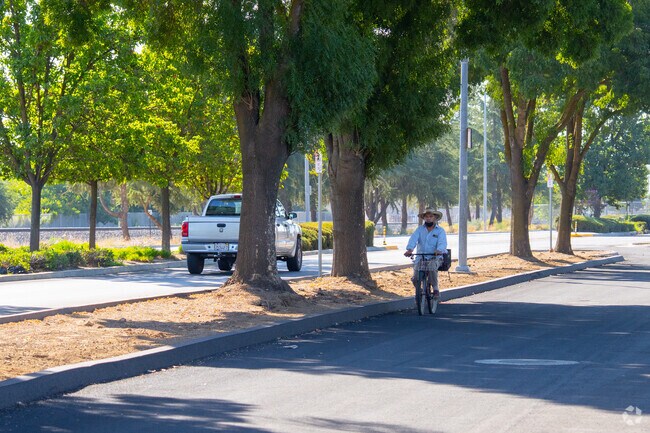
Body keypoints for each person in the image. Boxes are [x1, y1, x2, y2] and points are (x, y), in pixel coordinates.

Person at [404, 208, 448, 300]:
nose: (428, 218)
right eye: (426, 217)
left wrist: (439, 250)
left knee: (432, 267)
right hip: (421, 257)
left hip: (435, 257)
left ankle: (435, 289)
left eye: (431, 216)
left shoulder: (440, 231)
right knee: (415, 277)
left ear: (435, 218)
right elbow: (413, 239)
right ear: (424, 218)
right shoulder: (419, 229)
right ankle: (419, 292)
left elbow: (442, 243)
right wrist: (410, 249)